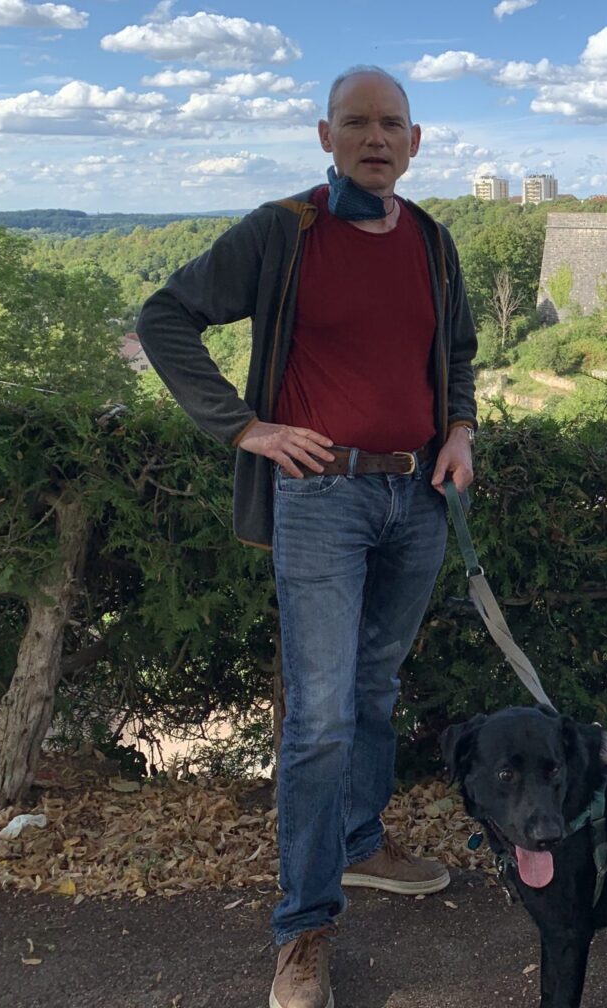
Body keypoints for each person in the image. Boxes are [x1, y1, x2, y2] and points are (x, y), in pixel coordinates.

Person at [136, 65, 478, 1008]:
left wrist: (461, 429)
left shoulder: (434, 241)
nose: (376, 138)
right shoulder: (284, 231)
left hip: (416, 498)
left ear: (417, 141)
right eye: (357, 123)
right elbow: (164, 317)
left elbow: (454, 352)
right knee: (322, 714)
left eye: (392, 125)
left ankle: (362, 845)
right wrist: (244, 426)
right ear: (325, 137)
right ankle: (303, 930)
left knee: (376, 686)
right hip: (321, 499)